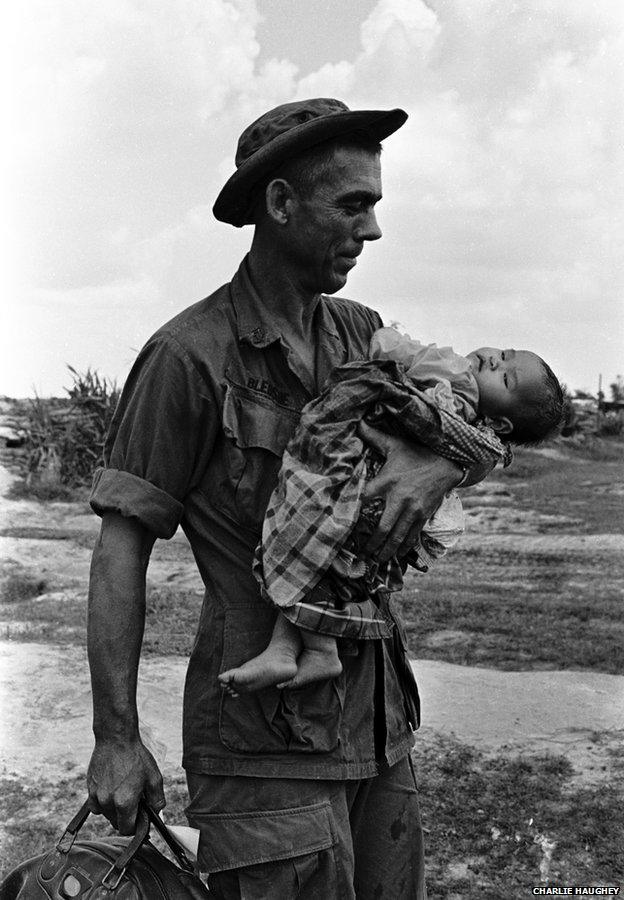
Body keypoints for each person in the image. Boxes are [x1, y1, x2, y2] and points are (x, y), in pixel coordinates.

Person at [86, 97, 498, 899]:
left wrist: (438, 469)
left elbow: (471, 426)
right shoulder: (187, 356)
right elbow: (121, 548)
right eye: (354, 204)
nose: (372, 230)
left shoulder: (364, 334)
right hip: (260, 742)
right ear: (279, 204)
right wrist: (114, 739)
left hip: (378, 723)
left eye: (373, 205)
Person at [219, 329, 564, 694]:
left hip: (362, 495)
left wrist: (392, 340)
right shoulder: (482, 438)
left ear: (499, 424)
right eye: (505, 352)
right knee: (325, 566)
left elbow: (389, 345)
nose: (496, 360)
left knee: (309, 547)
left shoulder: (455, 375)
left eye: (505, 377)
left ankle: (303, 650)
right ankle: (297, 649)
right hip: (373, 509)